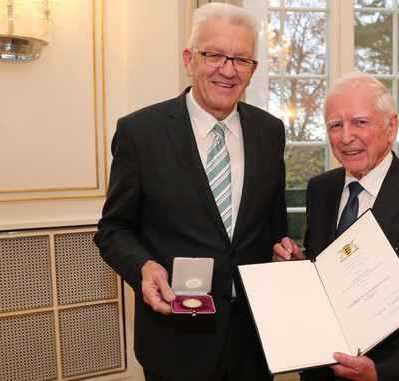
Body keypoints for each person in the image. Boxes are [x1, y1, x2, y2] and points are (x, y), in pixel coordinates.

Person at [94, 3, 287, 381]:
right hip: (176, 344)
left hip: (255, 339)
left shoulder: (270, 131)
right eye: (215, 55)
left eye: (242, 60)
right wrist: (144, 267)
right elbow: (113, 230)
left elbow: (273, 225)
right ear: (189, 60)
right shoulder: (140, 132)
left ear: (253, 70)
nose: (228, 70)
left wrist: (286, 250)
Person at [273, 71, 399, 381]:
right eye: (335, 125)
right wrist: (300, 268)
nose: (346, 136)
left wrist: (382, 370)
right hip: (323, 370)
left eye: (360, 122)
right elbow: (329, 273)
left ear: (391, 127)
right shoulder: (320, 190)